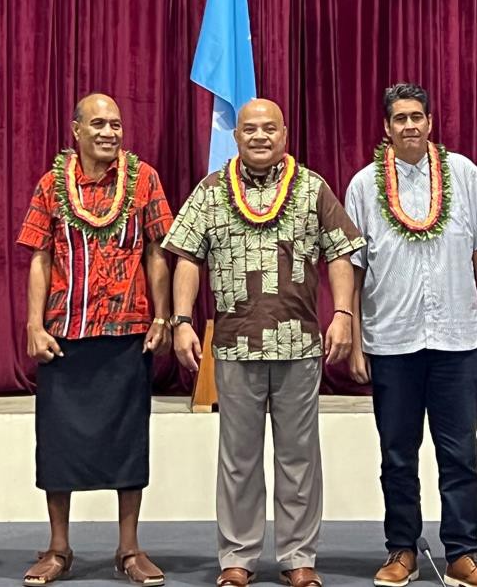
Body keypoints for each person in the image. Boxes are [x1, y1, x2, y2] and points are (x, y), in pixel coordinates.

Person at [166, 98, 363, 587]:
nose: (259, 136)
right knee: (239, 458)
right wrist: (182, 321)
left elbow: (340, 253)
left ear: (285, 134)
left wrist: (342, 314)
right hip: (234, 348)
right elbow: (188, 256)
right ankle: (238, 555)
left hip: (300, 347)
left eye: (268, 128)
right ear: (236, 137)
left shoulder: (313, 188)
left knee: (299, 457)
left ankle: (299, 558)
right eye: (249, 128)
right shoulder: (211, 192)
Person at [343, 83, 477, 587]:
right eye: (400, 119)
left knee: (460, 453)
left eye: (418, 116)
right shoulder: (363, 185)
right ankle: (401, 550)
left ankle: (463, 554)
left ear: (430, 122)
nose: (410, 125)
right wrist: (351, 333)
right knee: (397, 454)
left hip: (458, 339)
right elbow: (350, 265)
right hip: (391, 341)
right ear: (386, 128)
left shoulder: (463, 174)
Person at [18, 94, 174, 587]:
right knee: (59, 446)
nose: (109, 132)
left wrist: (162, 317)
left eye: (116, 124)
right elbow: (39, 256)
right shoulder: (51, 184)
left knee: (129, 443)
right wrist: (33, 324)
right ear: (76, 130)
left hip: (128, 333)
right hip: (65, 335)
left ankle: (128, 548)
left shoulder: (144, 179)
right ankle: (58, 548)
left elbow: (157, 252)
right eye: (99, 124)